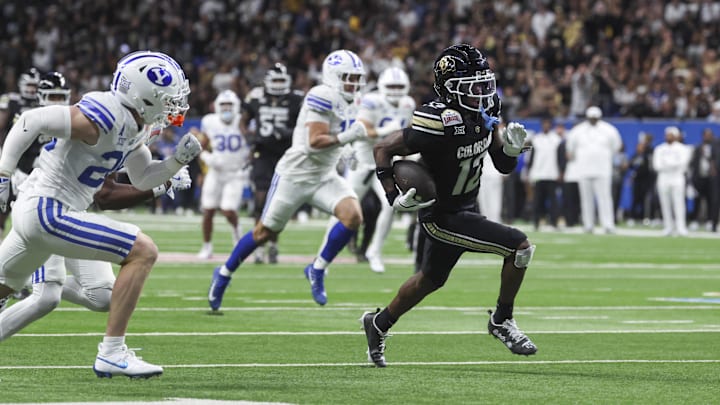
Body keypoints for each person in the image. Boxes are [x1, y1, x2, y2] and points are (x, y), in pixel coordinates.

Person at [0, 50, 201, 378]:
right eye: (168, 99)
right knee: (143, 251)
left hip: (52, 213)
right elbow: (31, 121)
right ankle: (111, 353)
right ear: (143, 96)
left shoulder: (137, 124)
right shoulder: (108, 111)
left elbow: (142, 177)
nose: (174, 106)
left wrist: (175, 162)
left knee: (102, 295)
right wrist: (3, 173)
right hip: (48, 210)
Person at [361, 44, 537, 368]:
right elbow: (383, 148)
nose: (483, 93)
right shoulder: (438, 119)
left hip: (466, 208)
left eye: (485, 84)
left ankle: (378, 323)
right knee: (520, 247)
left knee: (430, 280)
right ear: (450, 89)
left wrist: (510, 151)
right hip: (441, 215)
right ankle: (502, 320)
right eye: (473, 87)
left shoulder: (486, 109)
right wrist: (392, 195)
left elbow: (501, 164)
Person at [207, 49, 370, 309]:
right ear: (332, 76)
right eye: (348, 77)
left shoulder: (351, 99)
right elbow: (314, 143)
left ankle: (317, 269)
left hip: (324, 175)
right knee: (264, 232)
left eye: (356, 77)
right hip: (295, 174)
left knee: (353, 216)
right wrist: (349, 138)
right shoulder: (321, 95)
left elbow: (338, 132)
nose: (353, 83)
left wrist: (347, 150)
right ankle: (224, 274)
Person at [324, 65, 415, 273]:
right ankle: (326, 255)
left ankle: (375, 251)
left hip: (384, 164)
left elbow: (408, 130)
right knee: (342, 209)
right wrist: (386, 131)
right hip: (362, 162)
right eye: (391, 85)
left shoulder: (408, 103)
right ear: (383, 85)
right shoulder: (372, 101)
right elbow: (362, 129)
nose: (395, 90)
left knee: (391, 205)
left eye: (399, 86)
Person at [240, 63, 304, 264]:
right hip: (263, 154)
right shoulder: (256, 97)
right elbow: (243, 122)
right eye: (274, 80)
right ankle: (259, 248)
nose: (277, 84)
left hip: (286, 156)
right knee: (260, 202)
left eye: (280, 80)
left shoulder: (296, 99)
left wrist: (291, 132)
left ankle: (274, 245)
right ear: (267, 81)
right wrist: (249, 136)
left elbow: (305, 126)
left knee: (278, 204)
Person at [196, 89, 252, 259]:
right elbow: (202, 146)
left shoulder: (243, 121)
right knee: (208, 210)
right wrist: (206, 158)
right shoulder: (210, 122)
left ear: (237, 107)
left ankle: (237, 234)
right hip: (215, 172)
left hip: (235, 173)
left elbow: (251, 144)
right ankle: (207, 247)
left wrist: (247, 165)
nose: (227, 109)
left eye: (230, 105)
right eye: (223, 105)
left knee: (228, 210)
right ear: (217, 106)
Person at [565, 106, 622, 234]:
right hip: (584, 169)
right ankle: (588, 225)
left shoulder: (609, 130)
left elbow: (616, 147)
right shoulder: (577, 131)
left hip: (603, 169)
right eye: (591, 118)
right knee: (586, 199)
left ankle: (608, 224)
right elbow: (570, 149)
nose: (593, 120)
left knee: (605, 197)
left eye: (595, 118)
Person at [0, 68, 42, 240]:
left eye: (34, 86)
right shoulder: (11, 100)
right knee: (3, 203)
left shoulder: (42, 102)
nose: (32, 89)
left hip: (35, 160)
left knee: (32, 205)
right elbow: (1, 125)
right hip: (12, 158)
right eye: (29, 85)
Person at [653, 126, 690, 236]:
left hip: (677, 178)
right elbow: (657, 166)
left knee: (679, 203)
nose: (668, 136)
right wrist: (672, 164)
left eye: (671, 134)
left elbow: (683, 164)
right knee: (665, 203)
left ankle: (681, 227)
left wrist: (667, 164)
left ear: (676, 136)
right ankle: (668, 227)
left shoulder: (683, 149)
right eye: (667, 134)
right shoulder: (660, 149)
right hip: (663, 178)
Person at [527, 116, 562, 230]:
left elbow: (560, 158)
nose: (546, 126)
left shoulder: (556, 139)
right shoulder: (536, 139)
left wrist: (561, 172)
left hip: (552, 173)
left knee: (553, 200)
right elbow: (532, 158)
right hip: (538, 174)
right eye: (544, 123)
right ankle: (536, 221)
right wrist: (530, 172)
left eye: (548, 123)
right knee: (538, 200)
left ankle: (554, 222)